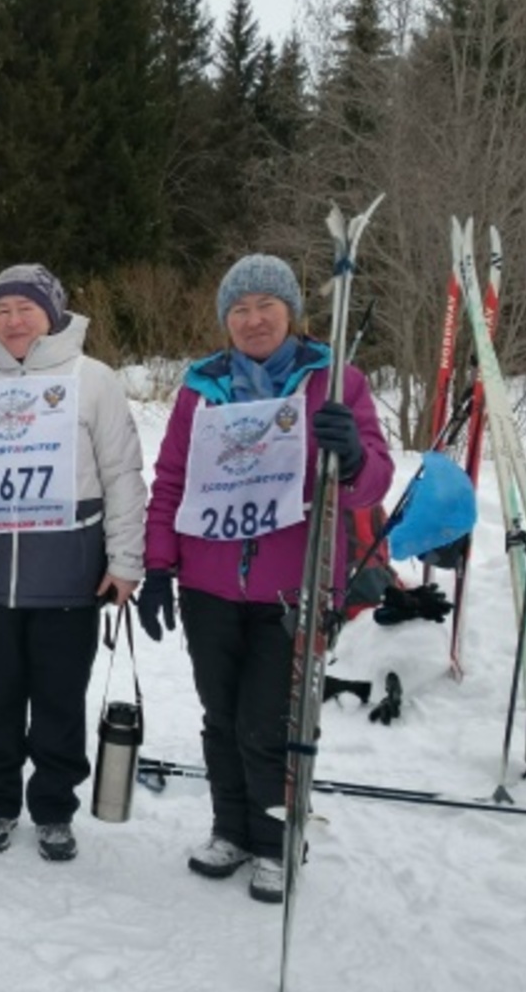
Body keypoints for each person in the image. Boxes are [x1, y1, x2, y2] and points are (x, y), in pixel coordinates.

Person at [137, 253, 393, 903]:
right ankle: (231, 828)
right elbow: (171, 481)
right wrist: (160, 566)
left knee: (270, 721)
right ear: (226, 320)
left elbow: (373, 485)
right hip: (208, 584)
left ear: (290, 313)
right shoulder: (202, 386)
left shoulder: (335, 383)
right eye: (240, 309)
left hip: (293, 585)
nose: (253, 320)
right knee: (221, 716)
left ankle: (278, 838)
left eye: (265, 307)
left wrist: (354, 452)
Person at [0, 265, 147, 861]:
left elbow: (123, 475)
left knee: (58, 701)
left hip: (68, 576)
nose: (13, 319)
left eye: (26, 307)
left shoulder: (92, 379)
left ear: (52, 314)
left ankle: (54, 808)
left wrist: (126, 559)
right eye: (1, 310)